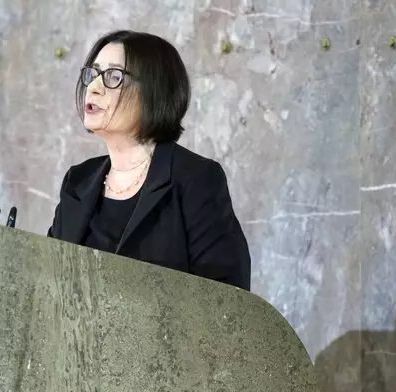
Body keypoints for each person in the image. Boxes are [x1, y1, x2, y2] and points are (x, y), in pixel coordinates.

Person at [46, 30, 251, 291]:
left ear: (153, 92)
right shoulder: (78, 180)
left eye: (113, 77)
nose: (94, 88)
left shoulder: (195, 179)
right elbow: (50, 283)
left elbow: (228, 300)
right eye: (92, 74)